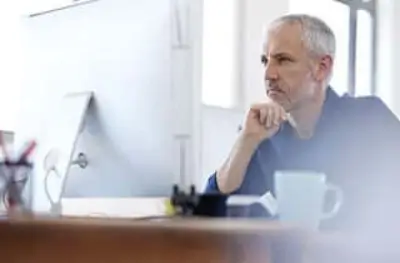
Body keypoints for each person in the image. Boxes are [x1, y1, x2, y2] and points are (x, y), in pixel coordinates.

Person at [204, 14, 400, 231]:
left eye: (283, 60)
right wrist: (246, 140)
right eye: (264, 61)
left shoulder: (370, 119)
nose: (268, 74)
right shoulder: (268, 135)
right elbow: (212, 212)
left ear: (321, 68)